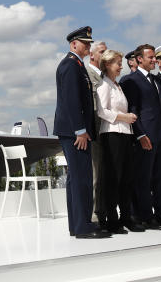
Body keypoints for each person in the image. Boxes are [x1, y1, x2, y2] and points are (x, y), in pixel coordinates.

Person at [54, 26, 111, 239]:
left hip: (74, 130)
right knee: (81, 179)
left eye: (89, 43)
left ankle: (77, 224)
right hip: (74, 132)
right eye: (84, 43)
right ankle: (82, 226)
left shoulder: (77, 65)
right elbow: (71, 101)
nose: (88, 46)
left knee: (77, 179)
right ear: (73, 44)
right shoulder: (71, 65)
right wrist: (80, 130)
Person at [121, 44, 161, 229]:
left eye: (155, 57)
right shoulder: (130, 80)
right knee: (144, 179)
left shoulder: (156, 81)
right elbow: (132, 110)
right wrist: (140, 135)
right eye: (151, 57)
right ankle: (146, 216)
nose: (155, 60)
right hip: (146, 137)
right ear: (140, 59)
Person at [94, 49, 139, 233]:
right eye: (117, 63)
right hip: (112, 134)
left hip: (125, 134)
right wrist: (123, 117)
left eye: (121, 63)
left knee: (126, 177)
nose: (121, 66)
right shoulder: (104, 85)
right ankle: (112, 219)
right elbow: (101, 111)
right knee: (113, 178)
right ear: (107, 65)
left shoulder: (117, 85)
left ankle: (125, 217)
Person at [87, 41, 108, 223]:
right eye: (102, 51)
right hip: (95, 132)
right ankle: (94, 214)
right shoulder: (87, 74)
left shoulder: (107, 77)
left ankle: (104, 211)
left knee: (104, 175)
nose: (105, 54)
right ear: (92, 55)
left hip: (107, 133)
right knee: (95, 175)